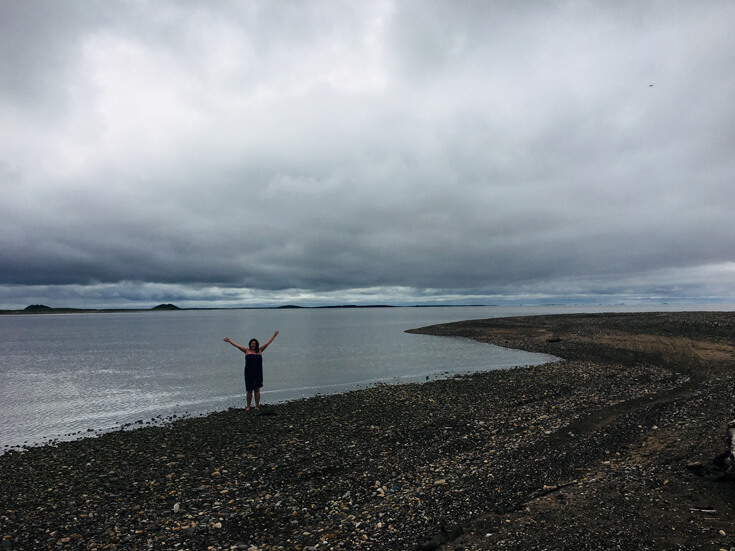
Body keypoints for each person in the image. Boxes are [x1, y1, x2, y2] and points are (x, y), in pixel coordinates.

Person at [223, 331, 279, 411]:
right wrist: (229, 341)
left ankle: (256, 406)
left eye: (255, 343)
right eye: (252, 343)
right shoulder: (246, 351)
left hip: (258, 372)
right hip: (249, 373)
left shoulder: (260, 350)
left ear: (257, 344)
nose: (253, 344)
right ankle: (248, 406)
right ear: (250, 344)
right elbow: (237, 346)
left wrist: (274, 336)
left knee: (257, 390)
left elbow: (267, 343)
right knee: (249, 390)